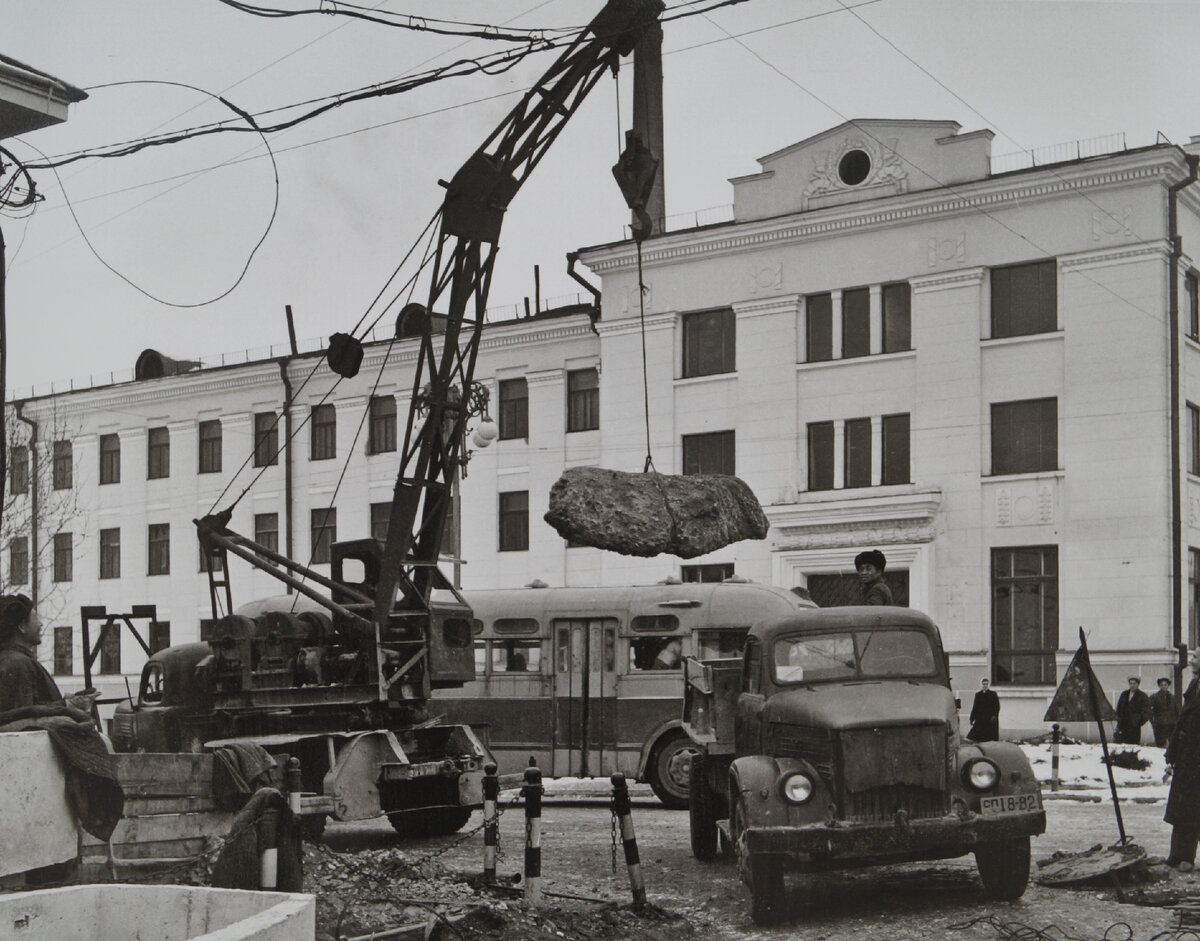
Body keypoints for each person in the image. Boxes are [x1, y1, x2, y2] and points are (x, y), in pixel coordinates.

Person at [0, 593, 95, 718]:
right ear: (22, 626)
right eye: (36, 618)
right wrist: (67, 706)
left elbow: (32, 707)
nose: (41, 624)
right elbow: (23, 719)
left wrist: (67, 703)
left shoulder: (16, 659)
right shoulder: (17, 663)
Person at [1165, 688, 1200, 871]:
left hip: (1197, 760)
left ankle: (1187, 856)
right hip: (1186, 759)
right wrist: (1172, 753)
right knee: (1181, 807)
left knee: (1193, 810)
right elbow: (1182, 723)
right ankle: (1177, 854)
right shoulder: (1195, 686)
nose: (1192, 659)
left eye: (1195, 657)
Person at [1114, 676, 1152, 745]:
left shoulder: (1142, 696)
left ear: (1138, 684)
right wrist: (1119, 720)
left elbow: (1147, 712)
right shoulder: (1124, 694)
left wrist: (1138, 721)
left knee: (1133, 745)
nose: (1132, 685)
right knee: (1121, 745)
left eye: (1134, 683)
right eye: (1131, 683)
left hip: (1134, 726)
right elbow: (1119, 708)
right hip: (1123, 725)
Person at [967, 677, 1000, 742]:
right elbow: (975, 707)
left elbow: (997, 706)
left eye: (986, 684)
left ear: (988, 685)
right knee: (976, 734)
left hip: (990, 718)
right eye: (983, 684)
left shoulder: (993, 694)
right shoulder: (978, 695)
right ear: (981, 685)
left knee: (990, 735)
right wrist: (972, 718)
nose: (985, 686)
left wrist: (994, 715)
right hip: (980, 718)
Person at [1151, 677, 1181, 748]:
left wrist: (1177, 722)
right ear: (1159, 686)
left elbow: (1177, 710)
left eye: (1165, 685)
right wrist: (1153, 722)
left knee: (1172, 745)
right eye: (1162, 685)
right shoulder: (1154, 697)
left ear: (1168, 686)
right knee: (1161, 744)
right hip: (1160, 725)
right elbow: (1149, 711)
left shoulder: (1173, 697)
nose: (1163, 686)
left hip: (1171, 724)